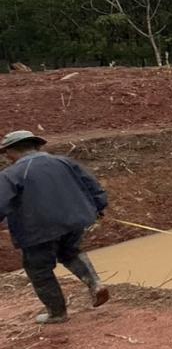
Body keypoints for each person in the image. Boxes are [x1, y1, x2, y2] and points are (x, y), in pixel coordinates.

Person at [0, 130, 111, 324]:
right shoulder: (64, 162)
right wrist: (98, 207)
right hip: (74, 220)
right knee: (70, 252)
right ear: (36, 145)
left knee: (39, 269)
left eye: (6, 152)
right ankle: (95, 284)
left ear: (11, 151)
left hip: (37, 228)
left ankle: (57, 313)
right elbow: (91, 185)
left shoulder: (11, 174)